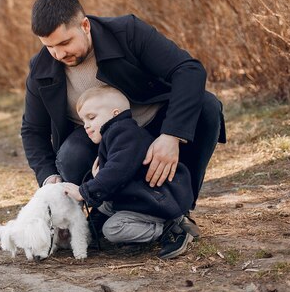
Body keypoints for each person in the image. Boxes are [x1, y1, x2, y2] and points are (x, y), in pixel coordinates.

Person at [21, 0, 226, 235]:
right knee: (69, 156)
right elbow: (32, 130)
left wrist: (172, 135)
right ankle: (105, 209)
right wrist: (49, 177)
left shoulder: (126, 32)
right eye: (50, 46)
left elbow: (189, 70)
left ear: (85, 25)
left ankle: (179, 210)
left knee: (207, 108)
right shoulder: (41, 68)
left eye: (65, 43)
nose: (59, 54)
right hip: (97, 140)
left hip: (153, 125)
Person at [62, 86, 194, 259]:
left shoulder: (125, 133)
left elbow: (118, 170)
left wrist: (84, 192)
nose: (86, 126)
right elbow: (119, 173)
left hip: (157, 200)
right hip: (140, 195)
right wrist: (98, 179)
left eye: (91, 118)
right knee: (104, 202)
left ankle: (170, 229)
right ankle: (95, 226)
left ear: (115, 113)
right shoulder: (115, 135)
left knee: (113, 229)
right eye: (83, 121)